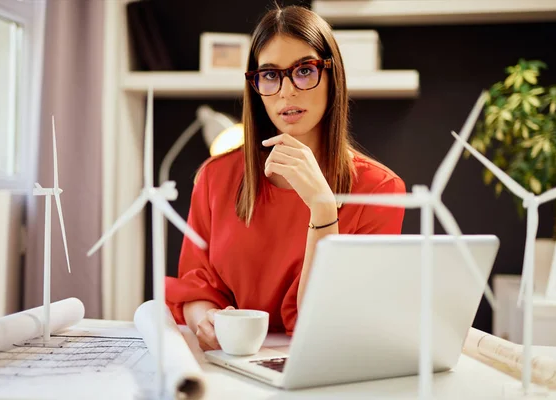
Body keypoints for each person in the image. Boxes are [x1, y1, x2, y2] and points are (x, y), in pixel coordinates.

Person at [165, 4, 406, 351]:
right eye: (270, 75)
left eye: (304, 71)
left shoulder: (380, 191)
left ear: (332, 75)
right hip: (230, 365)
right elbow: (195, 285)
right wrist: (206, 319)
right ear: (256, 85)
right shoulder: (214, 178)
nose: (286, 91)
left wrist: (323, 209)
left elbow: (325, 323)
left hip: (322, 366)